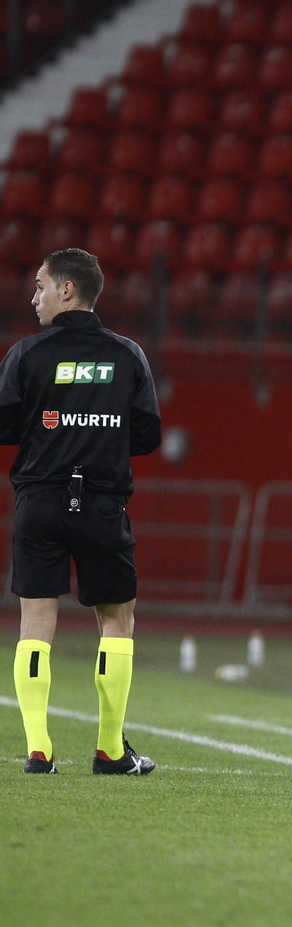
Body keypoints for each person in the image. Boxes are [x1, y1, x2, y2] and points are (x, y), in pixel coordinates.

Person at [1, 248, 161, 774]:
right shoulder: (128, 354)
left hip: (39, 501)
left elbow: (3, 426)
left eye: (41, 285)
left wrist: (53, 425)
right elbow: (147, 434)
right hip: (100, 503)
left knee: (35, 620)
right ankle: (110, 749)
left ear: (68, 290)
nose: (34, 296)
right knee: (117, 619)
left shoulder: (26, 354)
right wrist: (97, 433)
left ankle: (39, 749)